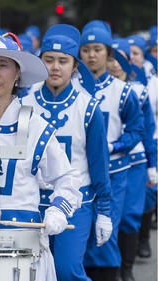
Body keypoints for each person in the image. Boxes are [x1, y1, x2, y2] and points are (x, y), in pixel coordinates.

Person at [0, 32, 83, 279]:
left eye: (3, 66)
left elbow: (68, 179)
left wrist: (57, 210)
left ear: (18, 72)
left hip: (23, 248)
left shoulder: (37, 126)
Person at [21, 24, 112, 281]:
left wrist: (104, 210)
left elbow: (99, 164)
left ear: (75, 67)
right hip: (32, 203)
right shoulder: (24, 105)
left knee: (66, 269)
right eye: (48, 60)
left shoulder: (88, 108)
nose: (55, 67)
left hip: (77, 203)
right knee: (33, 271)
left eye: (63, 61)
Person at [79, 20, 144, 281]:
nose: (91, 55)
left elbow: (136, 131)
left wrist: (113, 146)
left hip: (114, 174)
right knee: (77, 239)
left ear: (109, 54)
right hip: (78, 175)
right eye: (86, 50)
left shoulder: (123, 91)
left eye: (98, 49)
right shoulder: (71, 90)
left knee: (106, 236)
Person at [108, 37, 156, 281]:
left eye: (121, 58)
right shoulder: (94, 90)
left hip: (134, 162)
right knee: (108, 219)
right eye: (111, 58)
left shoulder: (139, 91)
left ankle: (126, 269)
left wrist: (152, 165)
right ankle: (111, 268)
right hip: (104, 163)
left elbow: (147, 129)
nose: (115, 63)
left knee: (129, 216)